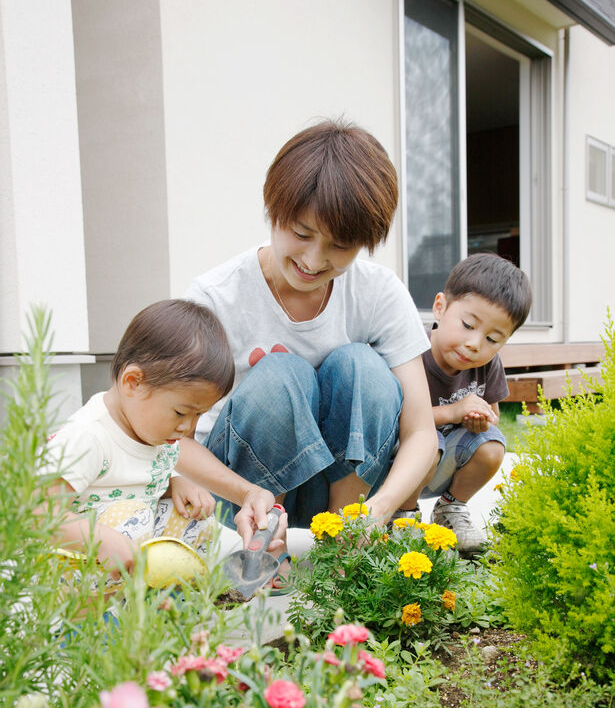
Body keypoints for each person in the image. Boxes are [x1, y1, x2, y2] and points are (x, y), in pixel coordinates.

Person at [184, 119, 437, 544]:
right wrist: (248, 493)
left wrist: (383, 506)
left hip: (340, 489)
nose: (314, 260)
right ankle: (267, 541)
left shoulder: (378, 293)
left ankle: (345, 537)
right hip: (239, 492)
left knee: (361, 365)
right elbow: (177, 441)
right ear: (273, 210)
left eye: (340, 246)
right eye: (301, 233)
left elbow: (420, 432)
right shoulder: (216, 297)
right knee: (283, 374)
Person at [44, 299, 283, 586]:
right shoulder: (87, 437)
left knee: (196, 518)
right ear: (133, 382)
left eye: (199, 415)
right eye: (181, 412)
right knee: (131, 517)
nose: (189, 427)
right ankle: (102, 618)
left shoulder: (151, 432)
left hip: (130, 565)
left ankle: (185, 594)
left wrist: (171, 485)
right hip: (73, 576)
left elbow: (130, 478)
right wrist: (96, 537)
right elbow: (33, 512)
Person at [401, 253, 532, 554]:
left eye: (493, 339)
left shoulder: (488, 364)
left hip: (449, 459)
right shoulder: (412, 350)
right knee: (428, 442)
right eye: (468, 325)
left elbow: (495, 415)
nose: (476, 344)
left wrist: (480, 418)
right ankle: (403, 518)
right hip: (404, 460)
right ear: (440, 307)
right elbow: (395, 418)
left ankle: (450, 510)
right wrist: (453, 412)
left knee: (492, 444)